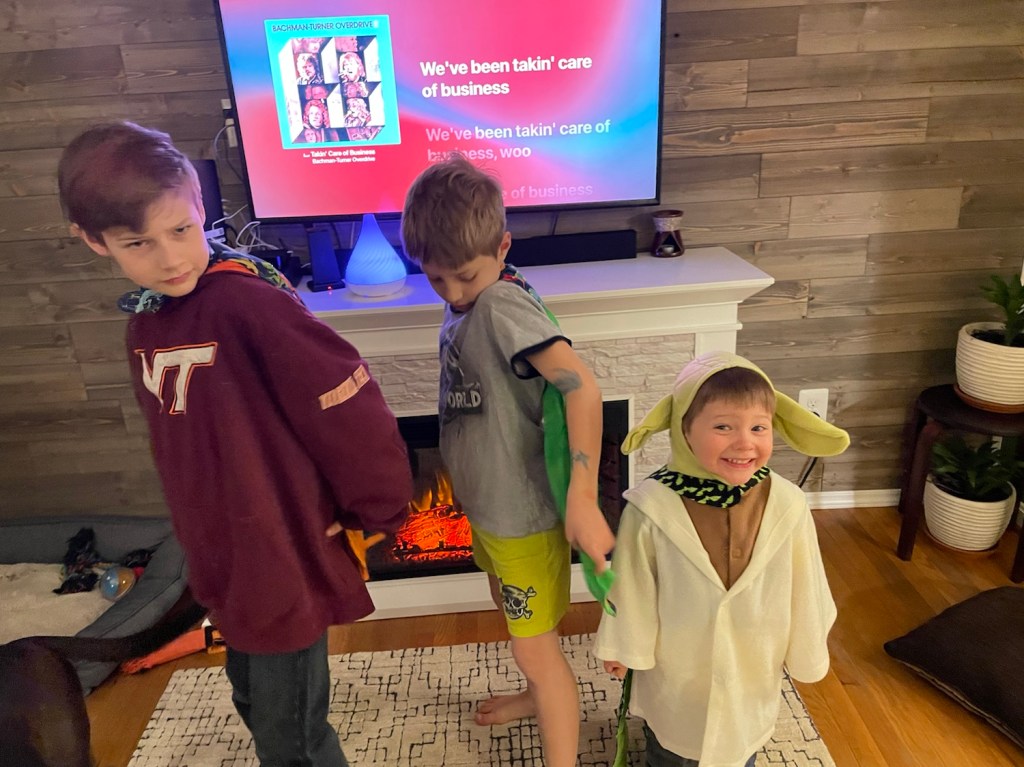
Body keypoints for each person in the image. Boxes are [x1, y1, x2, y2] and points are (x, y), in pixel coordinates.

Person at [57, 121, 413, 767]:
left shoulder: (248, 303)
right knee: (253, 701)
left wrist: (376, 506)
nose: (170, 258)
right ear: (92, 240)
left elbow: (345, 402)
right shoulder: (148, 320)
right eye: (138, 243)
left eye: (180, 230)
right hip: (224, 551)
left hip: (278, 551)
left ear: (200, 205)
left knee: (291, 737)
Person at [400, 154, 616, 767]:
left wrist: (582, 499)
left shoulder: (499, 304)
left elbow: (581, 386)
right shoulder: (472, 300)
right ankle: (535, 693)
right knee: (519, 618)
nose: (452, 293)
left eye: (464, 276)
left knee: (533, 647)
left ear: (503, 247)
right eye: (436, 280)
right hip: (490, 509)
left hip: (522, 516)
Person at [594, 351, 849, 767]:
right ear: (685, 430)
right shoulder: (651, 508)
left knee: (738, 748)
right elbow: (633, 586)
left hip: (751, 667)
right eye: (723, 426)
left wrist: (806, 648)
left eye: (758, 427)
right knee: (673, 748)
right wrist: (626, 646)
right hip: (679, 668)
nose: (744, 442)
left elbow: (807, 585)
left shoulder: (788, 504)